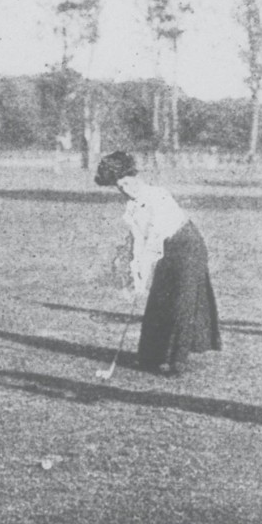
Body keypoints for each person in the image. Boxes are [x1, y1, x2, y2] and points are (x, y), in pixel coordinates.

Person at [94, 151, 221, 376]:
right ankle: (150, 357)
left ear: (134, 176)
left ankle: (177, 361)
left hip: (187, 246)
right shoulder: (132, 208)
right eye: (118, 186)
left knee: (183, 303)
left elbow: (154, 239)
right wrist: (136, 275)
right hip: (166, 249)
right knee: (159, 300)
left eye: (125, 182)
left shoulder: (157, 196)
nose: (123, 189)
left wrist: (145, 271)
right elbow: (137, 242)